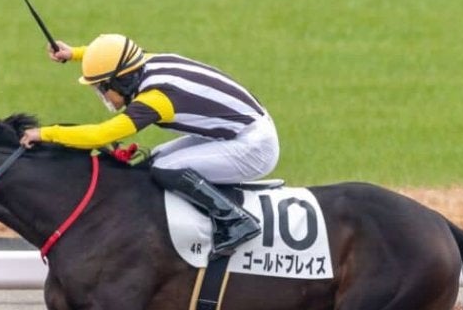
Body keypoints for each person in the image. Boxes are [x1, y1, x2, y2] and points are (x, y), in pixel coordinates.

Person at [20, 33, 279, 258]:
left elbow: (101, 135)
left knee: (165, 169)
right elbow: (115, 55)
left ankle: (235, 220)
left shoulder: (156, 99)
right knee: (151, 163)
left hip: (254, 147)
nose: (102, 94)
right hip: (236, 132)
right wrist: (74, 53)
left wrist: (45, 133)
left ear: (121, 82)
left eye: (102, 87)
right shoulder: (144, 62)